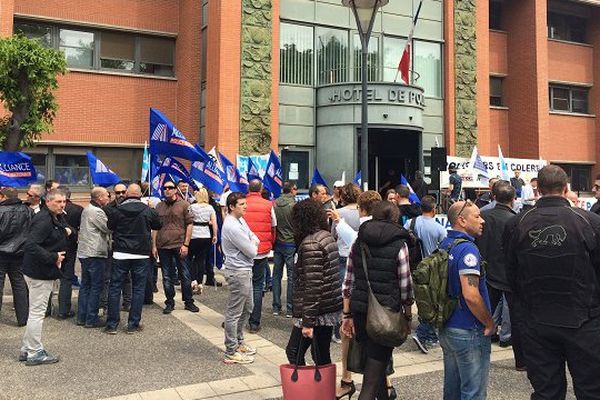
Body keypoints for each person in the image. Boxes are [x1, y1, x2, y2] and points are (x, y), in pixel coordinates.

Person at [503, 165, 600, 399]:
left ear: (538, 189)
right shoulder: (589, 221)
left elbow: (511, 273)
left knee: (547, 391)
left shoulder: (517, 223)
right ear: (566, 188)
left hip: (538, 319)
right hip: (583, 320)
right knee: (591, 390)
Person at [341, 201, 413, 400]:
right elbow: (405, 284)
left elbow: (348, 282)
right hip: (386, 313)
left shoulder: (358, 240)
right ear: (395, 218)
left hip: (361, 310)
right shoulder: (400, 244)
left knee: (377, 368)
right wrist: (407, 316)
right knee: (372, 378)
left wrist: (346, 314)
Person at [329, 190, 384, 400]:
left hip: (362, 296)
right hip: (384, 299)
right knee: (382, 342)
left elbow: (349, 277)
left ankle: (348, 381)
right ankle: (385, 385)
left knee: (349, 337)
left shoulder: (364, 231)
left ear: (361, 209)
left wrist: (346, 312)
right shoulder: (391, 230)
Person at [439, 200, 493, 400]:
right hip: (468, 328)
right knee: (473, 392)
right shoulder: (468, 250)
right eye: (477, 216)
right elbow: (471, 295)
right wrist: (489, 322)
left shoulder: (445, 244)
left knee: (452, 390)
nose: (482, 220)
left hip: (447, 325)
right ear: (461, 220)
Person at [286, 199, 342, 371]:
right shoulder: (326, 236)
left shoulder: (311, 244)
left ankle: (308, 390)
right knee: (321, 353)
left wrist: (308, 322)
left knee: (294, 351)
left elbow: (312, 285)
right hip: (328, 305)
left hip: (315, 310)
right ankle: (325, 391)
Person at [475, 182, 525, 370]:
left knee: (482, 316)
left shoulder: (483, 217)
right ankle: (521, 361)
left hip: (487, 273)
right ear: (513, 199)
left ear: (493, 197)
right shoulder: (517, 220)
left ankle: (478, 355)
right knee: (517, 319)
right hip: (511, 277)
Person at [20, 189, 71, 366]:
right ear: (47, 202)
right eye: (58, 202)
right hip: (39, 273)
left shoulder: (53, 216)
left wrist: (65, 230)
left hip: (40, 271)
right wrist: (54, 257)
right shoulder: (43, 220)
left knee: (35, 312)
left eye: (64, 201)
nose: (62, 205)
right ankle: (34, 353)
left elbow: (60, 229)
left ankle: (27, 349)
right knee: (37, 313)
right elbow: (31, 245)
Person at [105, 184, 162, 334]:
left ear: (127, 194)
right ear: (139, 195)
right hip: (141, 253)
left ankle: (112, 324)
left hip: (121, 252)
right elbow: (158, 224)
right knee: (138, 288)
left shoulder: (117, 210)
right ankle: (133, 324)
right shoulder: (147, 210)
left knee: (115, 287)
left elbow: (110, 226)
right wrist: (153, 210)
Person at [404, 195, 447, 353]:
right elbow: (443, 249)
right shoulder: (439, 229)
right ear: (434, 209)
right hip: (431, 269)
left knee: (420, 298)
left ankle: (429, 333)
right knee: (431, 300)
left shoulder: (411, 222)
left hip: (413, 265)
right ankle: (424, 333)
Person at [221, 192, 259, 364]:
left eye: (245, 203)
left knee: (248, 307)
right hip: (237, 271)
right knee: (234, 312)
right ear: (232, 207)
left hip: (245, 269)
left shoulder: (240, 220)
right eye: (242, 204)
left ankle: (238, 341)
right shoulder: (232, 226)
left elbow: (253, 237)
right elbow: (252, 250)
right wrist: (253, 244)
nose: (245, 206)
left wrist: (253, 242)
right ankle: (230, 350)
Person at [153, 180, 199, 314]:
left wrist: (186, 244)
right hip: (163, 246)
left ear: (175, 189)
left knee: (185, 274)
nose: (167, 190)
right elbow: (155, 227)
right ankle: (169, 302)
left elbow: (189, 224)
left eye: (170, 187)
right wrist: (154, 245)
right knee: (167, 276)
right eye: (165, 188)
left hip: (179, 245)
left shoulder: (185, 205)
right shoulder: (159, 206)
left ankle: (189, 301)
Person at [244, 179, 277, 333]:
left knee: (242, 286)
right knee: (258, 286)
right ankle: (254, 322)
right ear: (261, 188)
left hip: (244, 251)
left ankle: (239, 318)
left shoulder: (242, 203)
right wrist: (270, 243)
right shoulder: (268, 205)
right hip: (261, 251)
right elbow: (273, 227)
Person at [76, 187, 111, 328]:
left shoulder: (87, 208)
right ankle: (91, 319)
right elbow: (108, 228)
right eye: (107, 196)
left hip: (85, 252)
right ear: (100, 198)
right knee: (96, 287)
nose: (108, 198)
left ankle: (81, 317)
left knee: (85, 286)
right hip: (94, 252)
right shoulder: (96, 211)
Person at [331, 183, 361, 343]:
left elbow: (333, 235)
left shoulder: (338, 213)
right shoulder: (361, 212)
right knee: (355, 289)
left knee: (341, 292)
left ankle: (337, 330)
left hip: (341, 254)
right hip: (356, 254)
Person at [0, 187, 33, 327]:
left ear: (3, 196)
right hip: (20, 252)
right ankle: (23, 318)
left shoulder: (1, 211)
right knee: (19, 284)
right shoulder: (28, 211)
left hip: (1, 252)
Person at [55, 186, 83, 319]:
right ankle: (63, 310)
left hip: (53, 247)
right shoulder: (78, 209)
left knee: (47, 278)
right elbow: (81, 228)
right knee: (66, 278)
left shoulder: (49, 209)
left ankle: (47, 309)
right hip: (70, 247)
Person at [272, 181, 297, 317]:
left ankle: (276, 306)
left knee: (276, 275)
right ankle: (290, 308)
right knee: (291, 276)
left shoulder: (275, 204)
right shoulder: (294, 206)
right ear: (292, 190)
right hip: (291, 243)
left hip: (278, 243)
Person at [188, 188, 217, 294]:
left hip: (193, 235)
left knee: (190, 259)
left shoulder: (192, 207)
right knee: (201, 260)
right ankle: (200, 282)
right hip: (205, 235)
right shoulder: (210, 208)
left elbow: (188, 220)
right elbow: (214, 223)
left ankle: (193, 280)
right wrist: (215, 235)